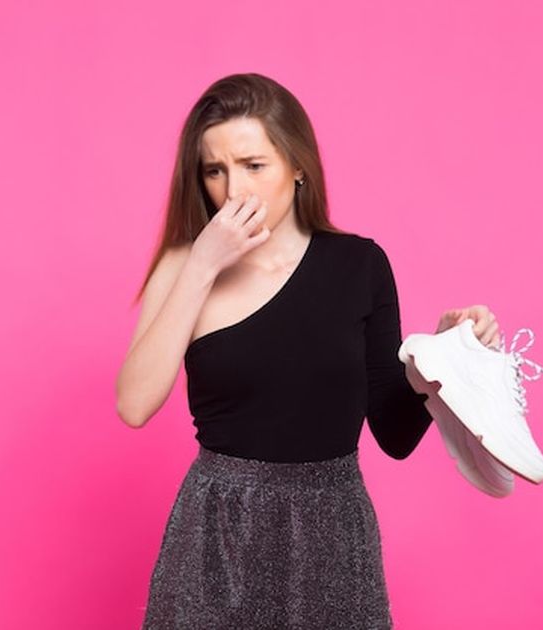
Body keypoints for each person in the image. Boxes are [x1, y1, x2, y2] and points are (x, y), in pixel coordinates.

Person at [115, 72, 502, 630]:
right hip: (218, 537)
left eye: (254, 165)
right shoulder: (184, 265)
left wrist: (439, 359)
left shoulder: (359, 266)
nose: (234, 190)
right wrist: (203, 264)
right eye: (215, 170)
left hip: (333, 537)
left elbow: (394, 434)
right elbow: (134, 405)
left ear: (298, 166)